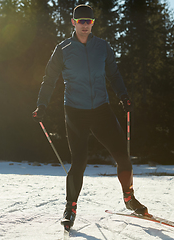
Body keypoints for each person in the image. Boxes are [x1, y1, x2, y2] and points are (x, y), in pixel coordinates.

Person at [32, 4, 149, 228]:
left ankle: (129, 198)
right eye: (81, 21)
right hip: (75, 111)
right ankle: (70, 208)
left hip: (101, 109)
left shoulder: (102, 47)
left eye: (89, 21)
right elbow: (49, 79)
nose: (85, 25)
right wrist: (42, 105)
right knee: (80, 161)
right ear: (73, 23)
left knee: (122, 156)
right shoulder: (63, 49)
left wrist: (123, 96)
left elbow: (114, 74)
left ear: (93, 23)